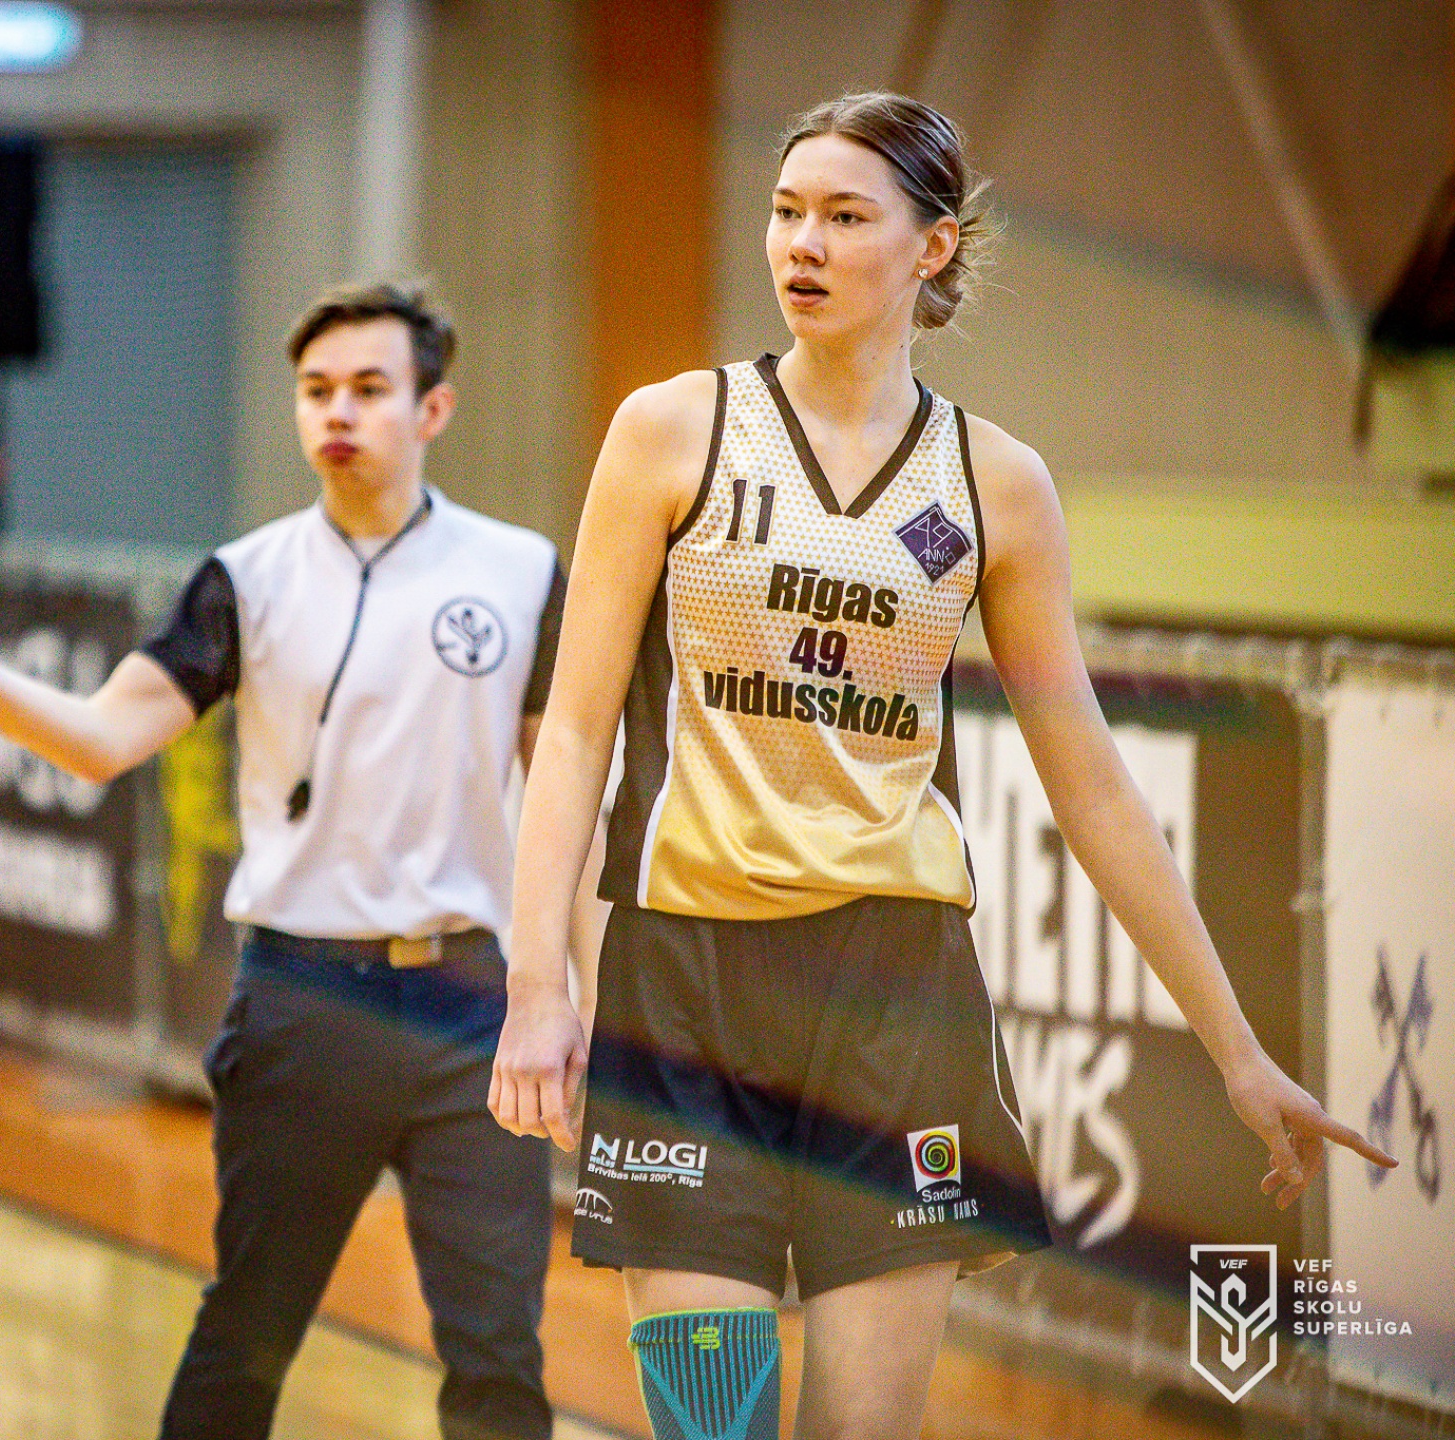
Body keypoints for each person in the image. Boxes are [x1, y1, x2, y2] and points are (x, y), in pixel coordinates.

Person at [487, 92, 1398, 1440]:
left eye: (843, 216)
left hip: (896, 1004)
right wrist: (536, 986)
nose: (801, 243)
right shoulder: (671, 430)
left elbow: (1090, 783)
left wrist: (1239, 1053)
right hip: (684, 991)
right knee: (710, 1425)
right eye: (785, 211)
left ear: (931, 247)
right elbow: (572, 733)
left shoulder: (996, 483)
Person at [0, 282, 568, 1440]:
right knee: (248, 1326)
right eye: (316, 390)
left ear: (433, 409)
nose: (338, 412)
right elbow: (102, 738)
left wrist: (563, 993)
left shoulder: (520, 571)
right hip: (305, 1001)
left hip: (473, 1005)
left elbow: (566, 799)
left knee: (498, 1351)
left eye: (369, 389)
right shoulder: (245, 578)